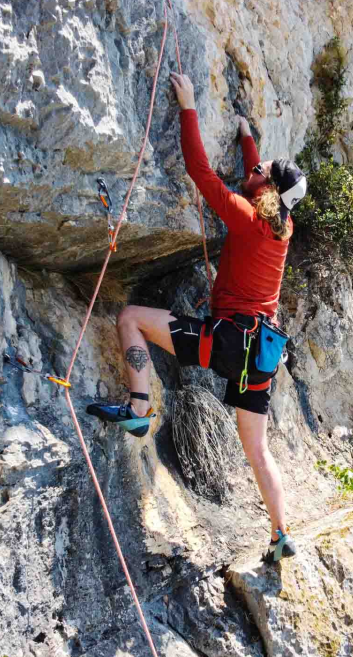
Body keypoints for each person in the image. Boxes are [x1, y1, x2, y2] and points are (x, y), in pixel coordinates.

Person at [87, 73, 308, 563]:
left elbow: (199, 170)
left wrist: (188, 106)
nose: (255, 167)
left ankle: (139, 408)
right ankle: (280, 533)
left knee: (130, 318)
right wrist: (247, 138)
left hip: (226, 341)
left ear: (267, 189)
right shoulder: (281, 225)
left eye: (261, 169)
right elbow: (260, 176)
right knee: (258, 450)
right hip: (261, 356)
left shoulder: (245, 218)